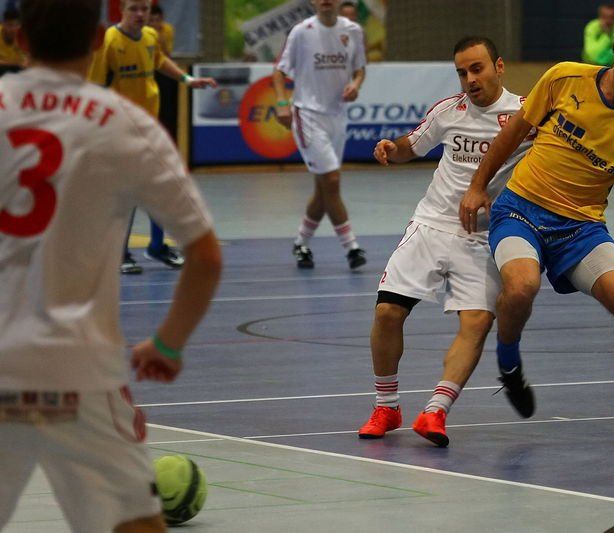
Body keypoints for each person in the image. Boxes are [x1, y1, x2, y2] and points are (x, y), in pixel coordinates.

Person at [0, 0, 222, 531]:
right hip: (77, 370)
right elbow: (205, 255)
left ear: (19, 40)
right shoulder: (124, 123)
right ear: (100, 40)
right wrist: (167, 344)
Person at [460, 18, 614, 448]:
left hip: (580, 228)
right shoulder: (564, 78)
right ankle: (508, 362)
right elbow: (513, 133)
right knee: (522, 286)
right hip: (520, 210)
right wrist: (477, 187)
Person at [357, 37, 532, 447]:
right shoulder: (448, 111)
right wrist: (392, 149)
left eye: (477, 68)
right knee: (387, 312)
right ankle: (386, 406)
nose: (469, 79)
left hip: (484, 236)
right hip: (431, 224)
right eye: (462, 72)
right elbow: (411, 146)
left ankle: (436, 410)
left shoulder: (527, 115)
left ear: (499, 67)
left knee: (476, 322)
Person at [89, 0, 217, 275]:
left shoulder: (149, 35)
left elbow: (159, 60)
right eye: (134, 9)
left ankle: (157, 246)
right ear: (121, 10)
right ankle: (118, 253)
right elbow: (95, 87)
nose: (140, 14)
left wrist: (187, 80)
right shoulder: (109, 41)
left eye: (144, 9)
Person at [273, 0, 368, 270]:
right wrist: (282, 103)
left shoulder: (353, 30)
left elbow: (360, 69)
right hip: (308, 114)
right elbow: (279, 72)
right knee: (332, 181)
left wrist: (356, 84)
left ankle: (301, 243)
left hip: (338, 116)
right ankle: (351, 248)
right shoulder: (302, 32)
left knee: (323, 187)